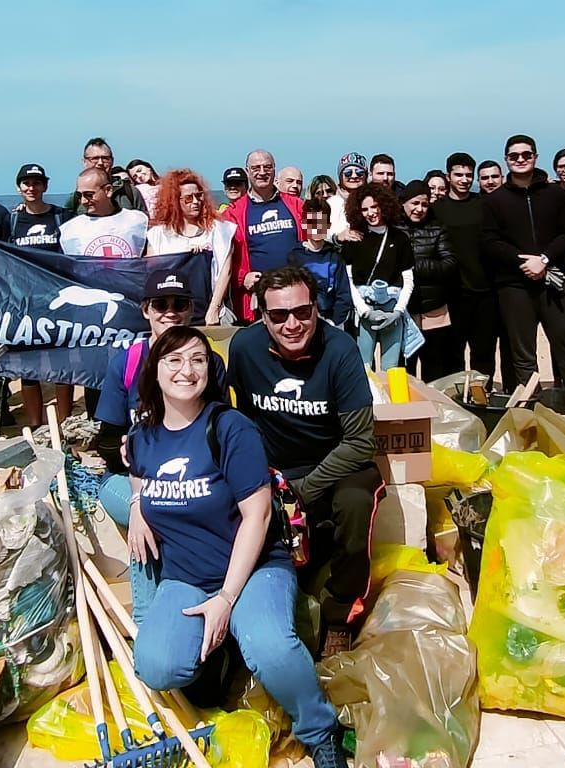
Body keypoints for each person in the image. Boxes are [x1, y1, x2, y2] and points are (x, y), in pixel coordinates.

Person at [127, 324, 349, 768]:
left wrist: (227, 597)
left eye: (197, 359)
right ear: (154, 372)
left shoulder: (230, 428)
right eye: (173, 360)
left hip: (253, 569)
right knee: (155, 666)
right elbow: (137, 472)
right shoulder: (143, 437)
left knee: (270, 648)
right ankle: (217, 658)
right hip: (187, 576)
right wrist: (135, 504)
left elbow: (259, 516)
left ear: (211, 369)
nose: (186, 370)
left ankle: (321, 729)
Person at [223, 267, 379, 654]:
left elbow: (361, 442)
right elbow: (232, 419)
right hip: (274, 467)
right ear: (262, 315)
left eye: (302, 312)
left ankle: (340, 614)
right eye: (278, 315)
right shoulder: (245, 348)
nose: (292, 324)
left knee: (356, 503)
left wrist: (304, 490)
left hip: (335, 462)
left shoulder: (340, 350)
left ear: (316, 309)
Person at [94, 269, 212, 617]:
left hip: (191, 478)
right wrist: (144, 489)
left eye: (180, 304)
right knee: (153, 509)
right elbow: (107, 443)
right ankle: (148, 621)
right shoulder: (127, 363)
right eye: (161, 304)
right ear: (146, 310)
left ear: (191, 310)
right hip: (125, 481)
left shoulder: (207, 364)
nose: (170, 312)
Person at [481, 135, 565, 415]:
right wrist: (523, 262)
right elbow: (490, 241)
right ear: (506, 159)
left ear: (535, 157)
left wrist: (544, 259)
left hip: (553, 280)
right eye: (514, 155)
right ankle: (531, 409)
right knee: (523, 355)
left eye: (526, 155)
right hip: (514, 284)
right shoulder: (495, 200)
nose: (520, 159)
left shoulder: (554, 194)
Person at [429, 152, 497, 380]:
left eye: (469, 175)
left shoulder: (484, 204)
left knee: (484, 353)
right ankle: (457, 403)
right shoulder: (437, 209)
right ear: (448, 176)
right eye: (459, 174)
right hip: (452, 293)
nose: (464, 179)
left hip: (485, 290)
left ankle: (482, 400)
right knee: (452, 355)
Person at [342, 182, 420, 371]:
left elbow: (408, 280)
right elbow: (348, 279)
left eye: (375, 206)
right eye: (365, 209)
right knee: (364, 367)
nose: (371, 213)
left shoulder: (400, 238)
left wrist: (398, 311)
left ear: (384, 205)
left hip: (393, 307)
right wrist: (364, 310)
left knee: (391, 369)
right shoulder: (354, 238)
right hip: (364, 309)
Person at [220, 151, 306, 322]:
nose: (262, 172)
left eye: (267, 167)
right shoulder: (232, 214)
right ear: (248, 172)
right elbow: (223, 259)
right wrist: (242, 277)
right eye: (256, 168)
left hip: (295, 294)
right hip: (256, 300)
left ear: (274, 171)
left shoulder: (297, 205)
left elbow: (316, 242)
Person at [146, 168, 237, 325]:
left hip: (211, 314)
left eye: (199, 196)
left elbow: (225, 272)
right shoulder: (158, 235)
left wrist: (214, 310)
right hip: (172, 316)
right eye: (188, 198)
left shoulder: (220, 230)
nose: (195, 202)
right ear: (175, 201)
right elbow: (152, 271)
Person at [402, 182, 459, 381]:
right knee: (405, 368)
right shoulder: (393, 228)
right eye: (414, 203)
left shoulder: (437, 228)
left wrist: (416, 266)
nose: (419, 209)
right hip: (404, 311)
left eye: (424, 204)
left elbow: (450, 263)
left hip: (434, 309)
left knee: (433, 367)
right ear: (404, 203)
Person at [287, 199, 353, 332]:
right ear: (304, 224)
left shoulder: (335, 256)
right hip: (303, 322)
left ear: (328, 225)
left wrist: (334, 322)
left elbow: (343, 294)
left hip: (331, 322)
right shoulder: (294, 257)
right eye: (312, 223)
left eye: (321, 223)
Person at [61, 168, 149, 258]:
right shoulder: (69, 230)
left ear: (108, 190)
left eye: (89, 195)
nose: (83, 201)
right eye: (79, 195)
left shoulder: (139, 221)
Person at [65, 137, 144, 214]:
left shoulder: (129, 192)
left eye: (105, 158)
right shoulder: (76, 198)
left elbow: (144, 222)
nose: (100, 163)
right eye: (95, 158)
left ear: (112, 161)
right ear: (84, 162)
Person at [10, 163, 68, 250]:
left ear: (45, 187)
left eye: (36, 183)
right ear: (19, 188)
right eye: (26, 183)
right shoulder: (12, 220)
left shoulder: (62, 216)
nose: (31, 188)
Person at [328, 153, 367, 238]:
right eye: (348, 173)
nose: (354, 176)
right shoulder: (329, 203)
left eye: (359, 173)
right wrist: (337, 238)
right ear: (340, 176)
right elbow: (313, 234)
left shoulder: (373, 201)